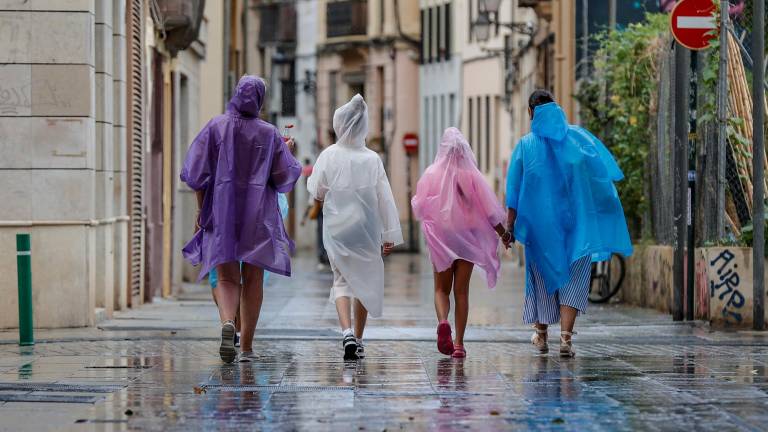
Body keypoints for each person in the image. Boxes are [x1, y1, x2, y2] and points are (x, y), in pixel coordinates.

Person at [181, 75, 301, 363]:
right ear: (259, 100)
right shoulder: (269, 133)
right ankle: (246, 347)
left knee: (225, 276)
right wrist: (286, 151)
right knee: (253, 277)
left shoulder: (215, 127)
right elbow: (283, 177)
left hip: (222, 211)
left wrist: (201, 210)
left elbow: (197, 174)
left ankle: (227, 323)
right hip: (258, 216)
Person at [505, 90, 632, 357]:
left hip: (540, 231)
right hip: (577, 228)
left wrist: (509, 226)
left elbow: (513, 192)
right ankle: (565, 340)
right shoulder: (578, 140)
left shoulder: (525, 146)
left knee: (541, 280)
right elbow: (599, 179)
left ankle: (541, 336)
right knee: (574, 280)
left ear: (531, 113)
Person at [307, 94, 402, 361]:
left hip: (337, 228)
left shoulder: (328, 155)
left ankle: (346, 331)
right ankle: (358, 339)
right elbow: (385, 196)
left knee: (341, 280)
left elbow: (317, 190)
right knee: (365, 281)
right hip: (366, 229)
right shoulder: (372, 159)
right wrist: (390, 233)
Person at [411, 127, 509, 359]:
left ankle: (443, 321)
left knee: (440, 289)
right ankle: (458, 344)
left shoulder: (431, 173)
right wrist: (503, 234)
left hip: (442, 239)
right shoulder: (473, 176)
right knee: (461, 292)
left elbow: (418, 206)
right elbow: (490, 211)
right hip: (467, 238)